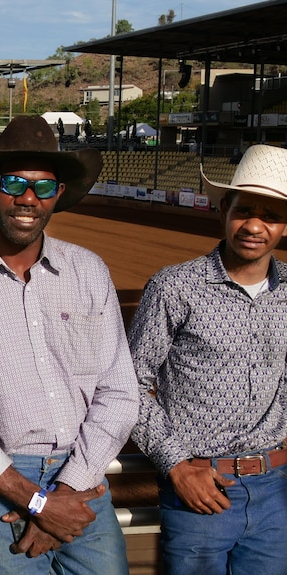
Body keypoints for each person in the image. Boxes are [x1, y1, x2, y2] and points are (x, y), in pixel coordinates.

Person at [0, 116, 138, 575]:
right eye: (13, 182)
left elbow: (119, 392)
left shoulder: (89, 272)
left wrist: (66, 490)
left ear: (58, 194)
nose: (27, 199)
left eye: (43, 186)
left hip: (85, 476)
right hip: (0, 486)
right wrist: (34, 499)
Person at [129, 144, 287, 575]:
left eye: (271, 215)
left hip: (274, 486)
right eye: (244, 211)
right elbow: (132, 384)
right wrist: (177, 467)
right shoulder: (175, 287)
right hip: (199, 487)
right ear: (223, 210)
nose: (254, 225)